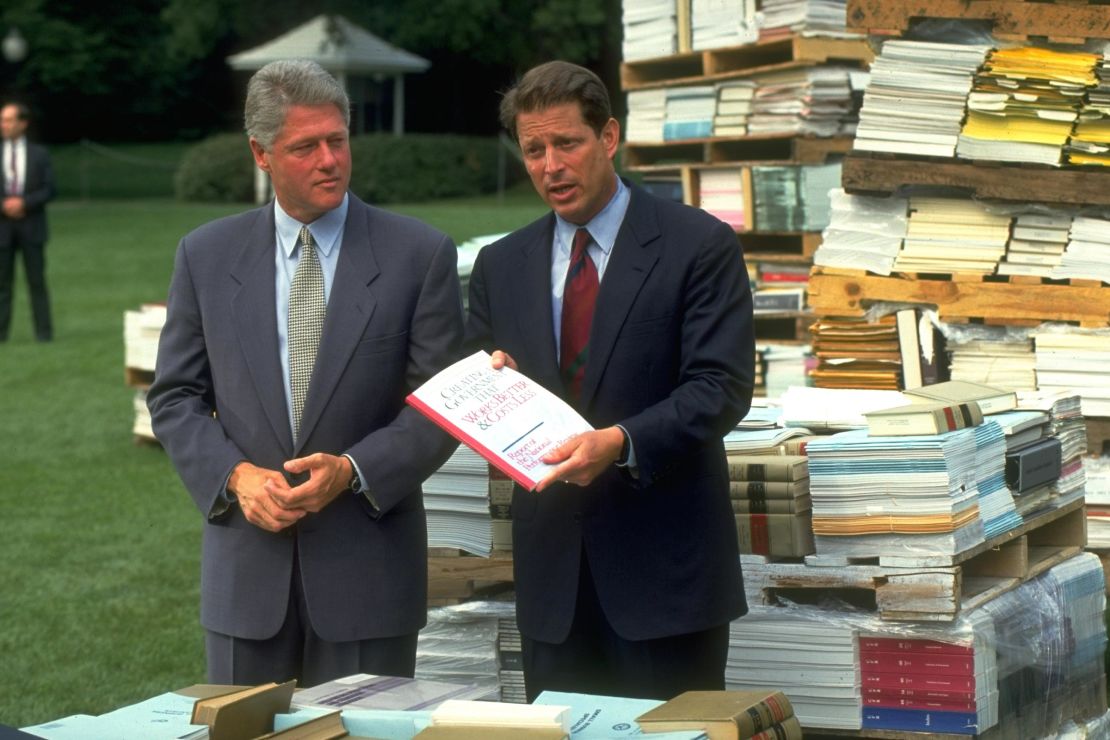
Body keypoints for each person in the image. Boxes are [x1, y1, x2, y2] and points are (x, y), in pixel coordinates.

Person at [147, 59, 463, 686]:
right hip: (246, 579)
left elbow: (441, 405)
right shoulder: (205, 255)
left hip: (369, 577)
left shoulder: (418, 254)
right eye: (305, 147)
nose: (329, 160)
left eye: (337, 140)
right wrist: (236, 478)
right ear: (261, 155)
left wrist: (352, 471)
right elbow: (176, 397)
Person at [465, 61, 756, 701]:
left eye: (566, 144)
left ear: (610, 137)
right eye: (533, 149)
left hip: (667, 580)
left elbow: (721, 386)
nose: (550, 166)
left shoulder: (698, 245)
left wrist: (620, 441)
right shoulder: (499, 265)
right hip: (553, 587)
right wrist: (486, 392)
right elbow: (478, 382)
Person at [0, 102, 55, 342]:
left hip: (32, 226)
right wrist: (5, 204)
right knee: (2, 285)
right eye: (2, 120)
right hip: (3, 228)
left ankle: (44, 334)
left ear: (23, 123)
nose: (4, 125)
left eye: (10, 120)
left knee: (37, 282)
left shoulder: (39, 154)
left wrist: (24, 203)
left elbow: (50, 189)